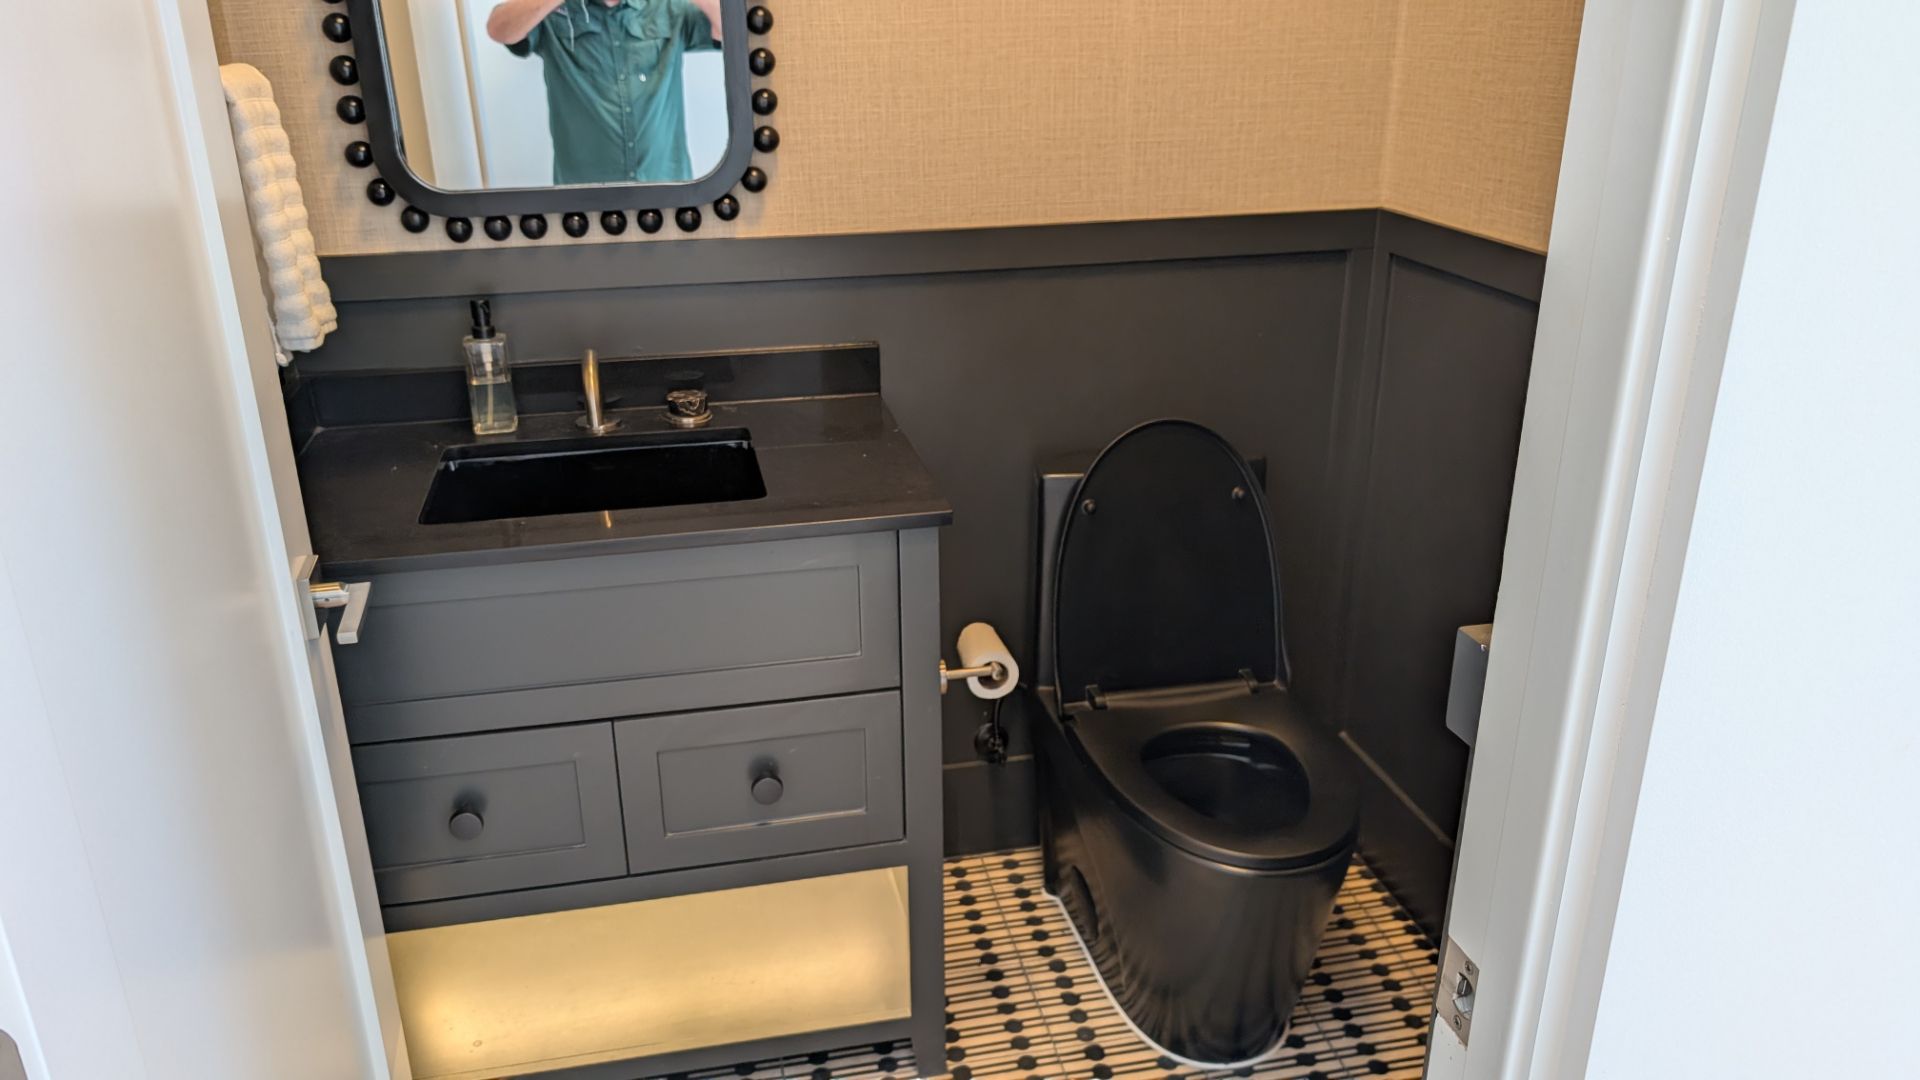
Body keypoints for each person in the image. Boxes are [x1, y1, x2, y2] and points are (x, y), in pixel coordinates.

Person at [487, 0, 722, 185]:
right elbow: (499, 28)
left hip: (668, 188)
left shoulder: (667, 8)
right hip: (585, 200)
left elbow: (734, 30)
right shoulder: (554, 14)